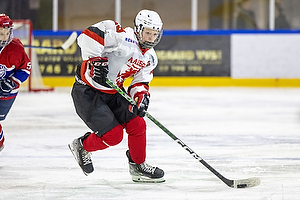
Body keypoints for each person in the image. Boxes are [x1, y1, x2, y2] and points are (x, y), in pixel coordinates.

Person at [68, 9, 164, 183]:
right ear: (138, 29)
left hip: (113, 92)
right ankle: (82, 147)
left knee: (138, 124)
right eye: (148, 33)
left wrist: (141, 97)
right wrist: (94, 60)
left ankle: (138, 165)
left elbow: (140, 82)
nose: (151, 38)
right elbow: (87, 36)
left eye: (154, 34)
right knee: (114, 136)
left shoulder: (150, 57)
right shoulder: (121, 36)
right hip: (88, 92)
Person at [0, 13, 31, 151]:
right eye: (1, 33)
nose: (5, 36)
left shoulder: (15, 47)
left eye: (7, 32)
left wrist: (12, 82)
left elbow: (25, 68)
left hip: (7, 92)